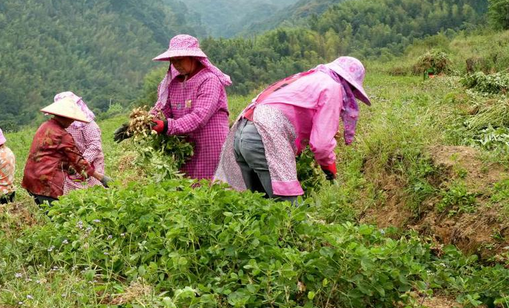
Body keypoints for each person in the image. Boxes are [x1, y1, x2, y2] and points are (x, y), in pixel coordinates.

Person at [215, 56, 371, 203]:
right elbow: (321, 145)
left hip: (243, 132)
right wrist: (329, 166)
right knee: (290, 210)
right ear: (349, 84)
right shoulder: (332, 87)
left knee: (260, 206)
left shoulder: (309, 78)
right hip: (264, 137)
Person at [145, 34, 232, 181]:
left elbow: (199, 117)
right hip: (186, 146)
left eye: (180, 60)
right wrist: (145, 122)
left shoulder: (209, 80)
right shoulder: (173, 83)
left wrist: (166, 126)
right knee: (187, 186)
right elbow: (163, 110)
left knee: (211, 185)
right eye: (173, 61)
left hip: (210, 144)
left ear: (193, 57)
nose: (177, 65)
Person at [22, 98, 108, 205]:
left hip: (31, 179)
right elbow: (78, 161)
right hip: (47, 182)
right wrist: (101, 177)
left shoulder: (44, 126)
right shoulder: (62, 135)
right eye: (71, 119)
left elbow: (51, 154)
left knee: (44, 211)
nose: (72, 122)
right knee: (56, 213)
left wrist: (68, 166)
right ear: (66, 118)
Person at [53, 91, 106, 194]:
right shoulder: (62, 125)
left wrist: (81, 162)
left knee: (94, 193)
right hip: (72, 167)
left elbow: (95, 145)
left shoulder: (88, 124)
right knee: (73, 196)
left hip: (90, 164)